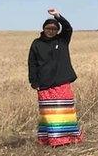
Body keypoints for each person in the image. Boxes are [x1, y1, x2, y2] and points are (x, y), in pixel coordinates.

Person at [28, 8, 84, 146]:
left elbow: (68, 28)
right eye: (48, 28)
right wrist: (34, 82)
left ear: (57, 30)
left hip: (62, 83)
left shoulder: (63, 40)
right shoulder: (37, 43)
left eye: (54, 28)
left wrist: (58, 16)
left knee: (65, 112)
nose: (51, 30)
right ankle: (51, 139)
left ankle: (69, 138)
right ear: (43, 29)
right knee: (49, 114)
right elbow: (32, 63)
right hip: (44, 84)